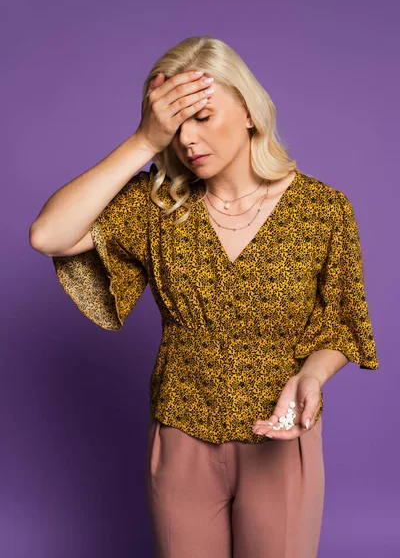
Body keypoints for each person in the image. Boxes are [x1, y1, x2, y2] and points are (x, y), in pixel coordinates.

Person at [30, 35, 379, 558]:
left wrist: (311, 376)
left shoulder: (322, 209)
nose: (187, 139)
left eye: (203, 116)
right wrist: (144, 141)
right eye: (175, 126)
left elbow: (341, 321)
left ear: (248, 111)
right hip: (181, 432)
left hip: (279, 434)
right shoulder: (158, 206)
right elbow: (48, 235)